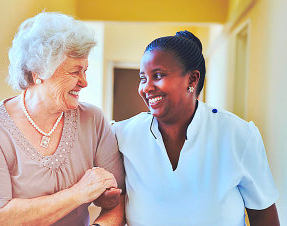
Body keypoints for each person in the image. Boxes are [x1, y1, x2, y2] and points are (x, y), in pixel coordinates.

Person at [0, 12, 125, 226]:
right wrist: (79, 193)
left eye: (85, 70)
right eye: (75, 72)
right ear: (38, 71)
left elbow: (120, 199)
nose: (84, 82)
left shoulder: (93, 119)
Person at [113, 31, 279, 226]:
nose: (146, 88)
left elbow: (264, 216)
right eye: (143, 78)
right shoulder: (123, 135)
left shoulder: (238, 135)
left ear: (192, 79)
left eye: (157, 76)